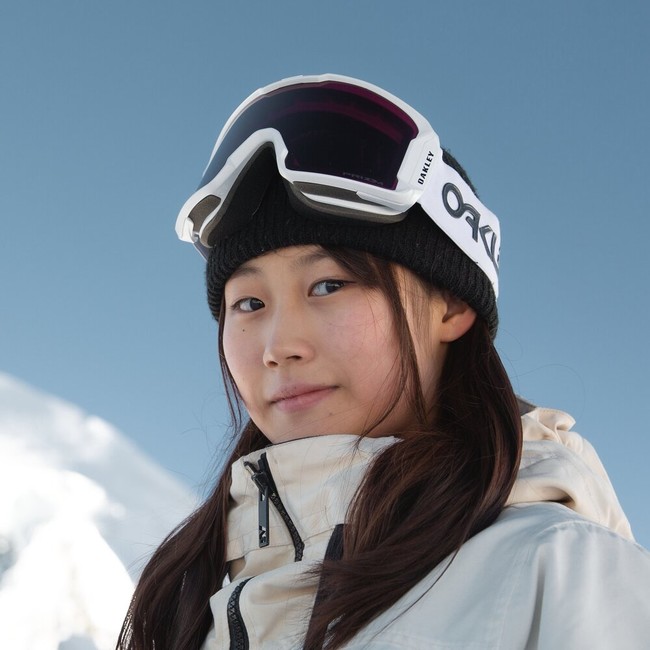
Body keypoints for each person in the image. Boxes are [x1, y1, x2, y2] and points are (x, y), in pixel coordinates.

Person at [117, 74, 650, 649]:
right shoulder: (191, 607)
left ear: (452, 305)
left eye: (328, 285)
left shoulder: (565, 573)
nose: (277, 346)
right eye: (249, 304)